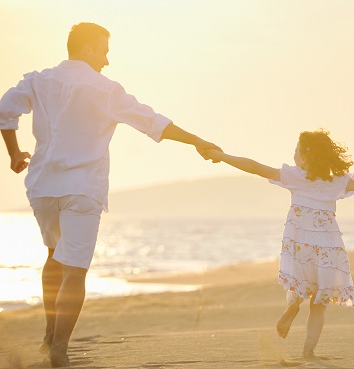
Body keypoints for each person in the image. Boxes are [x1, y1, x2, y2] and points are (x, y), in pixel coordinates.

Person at [0, 22, 220, 367]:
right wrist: (199, 142)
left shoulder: (38, 80)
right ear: (87, 48)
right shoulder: (105, 89)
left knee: (53, 255)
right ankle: (59, 348)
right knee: (74, 269)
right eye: (103, 50)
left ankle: (48, 335)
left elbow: (4, 111)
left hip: (42, 187)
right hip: (83, 189)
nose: (106, 59)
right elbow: (154, 122)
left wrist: (13, 153)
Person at [204, 129, 354, 359]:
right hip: (328, 244)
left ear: (306, 157)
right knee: (319, 302)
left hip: (299, 241)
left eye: (296, 151)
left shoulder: (294, 176)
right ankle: (308, 352)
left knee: (297, 284)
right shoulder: (338, 181)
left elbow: (255, 167)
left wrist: (223, 156)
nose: (294, 155)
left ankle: (293, 304)